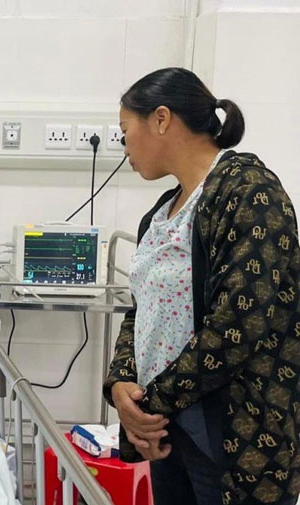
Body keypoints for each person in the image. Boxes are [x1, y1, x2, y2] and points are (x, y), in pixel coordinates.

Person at [104, 67, 300, 505]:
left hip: (234, 433)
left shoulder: (250, 192)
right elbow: (142, 309)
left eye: (123, 131)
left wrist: (149, 406)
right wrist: (120, 384)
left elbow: (240, 323)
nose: (123, 147)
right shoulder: (162, 212)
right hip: (170, 427)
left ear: (160, 119)